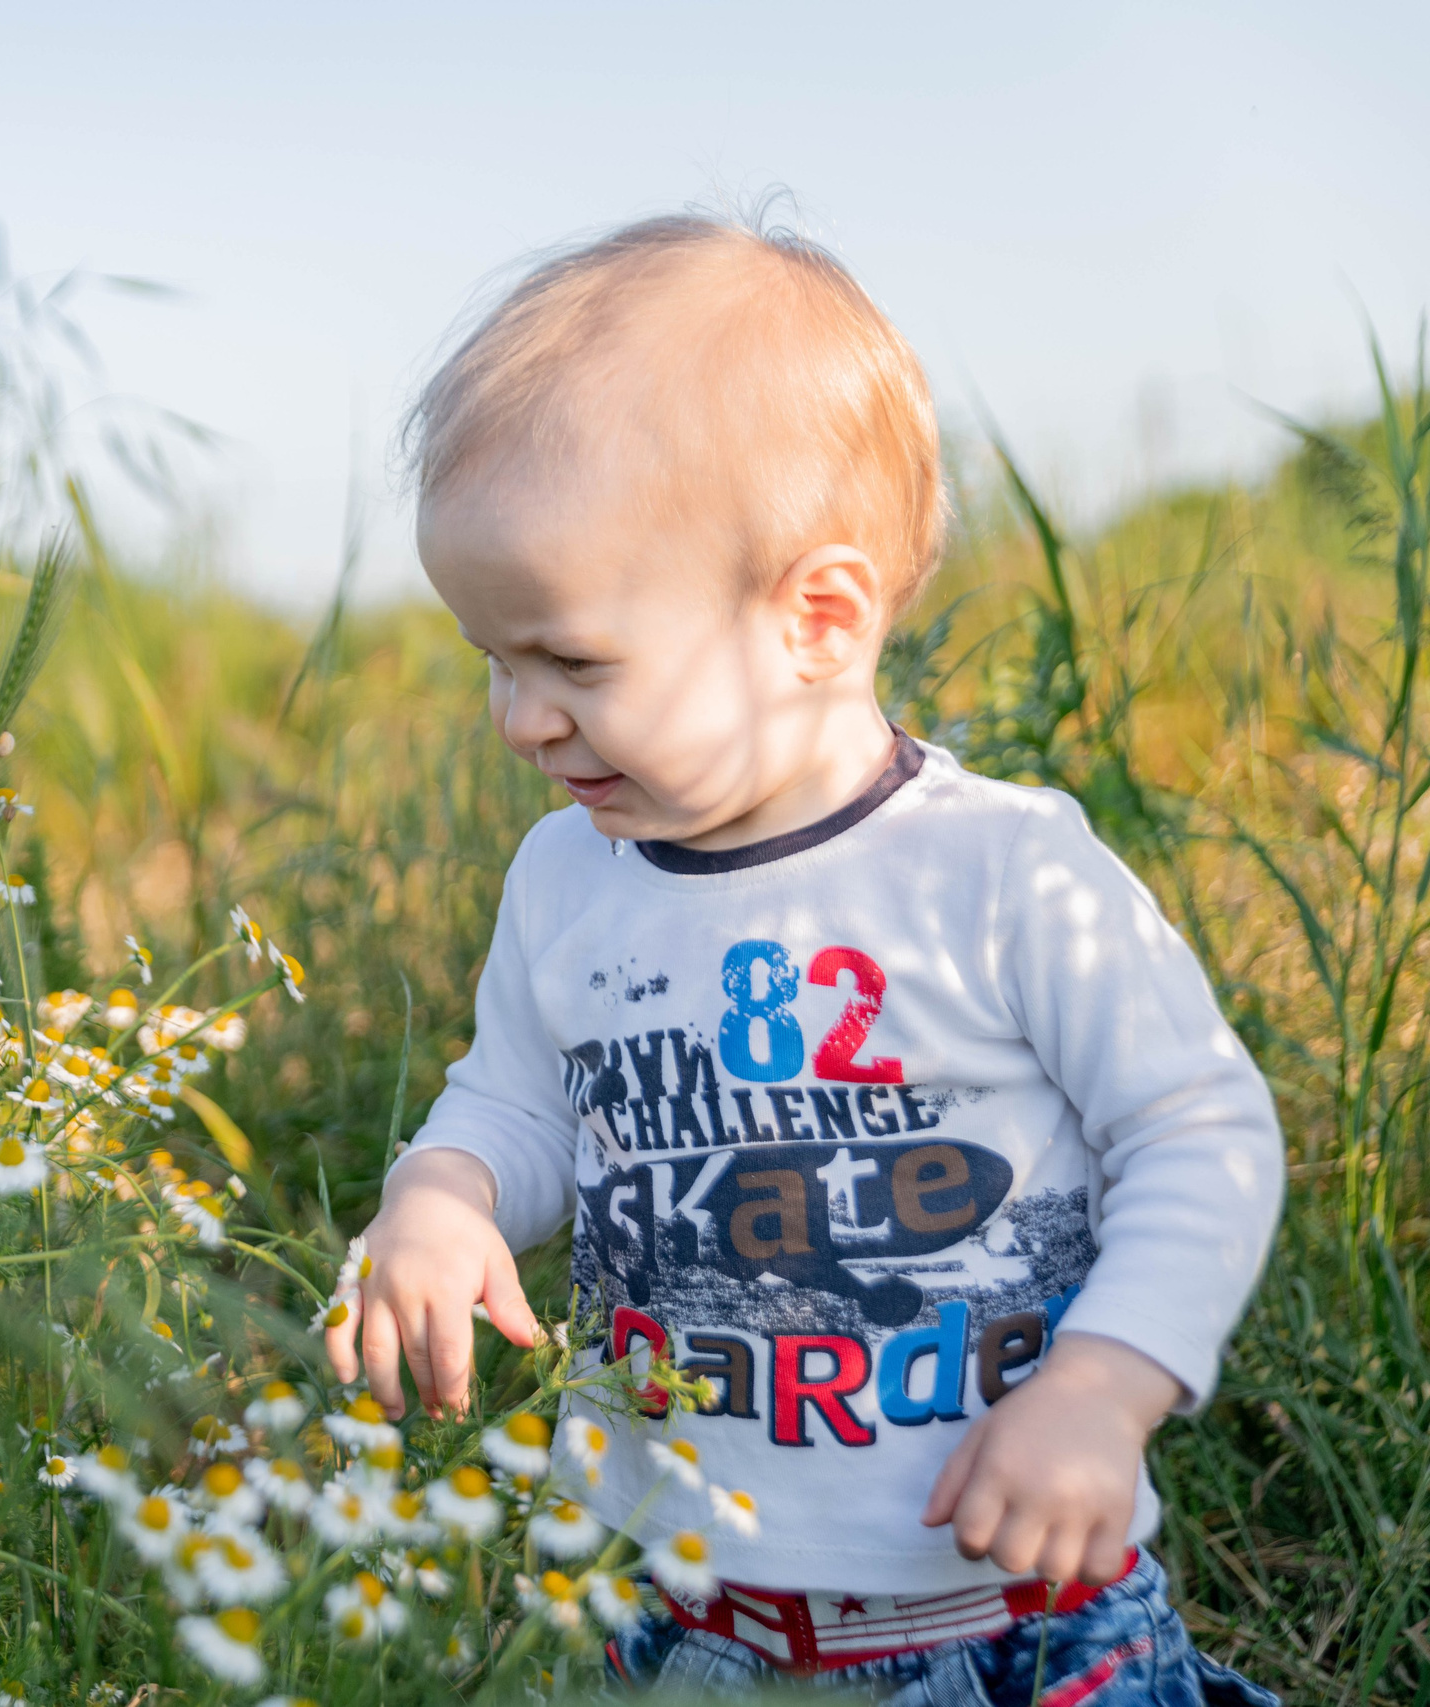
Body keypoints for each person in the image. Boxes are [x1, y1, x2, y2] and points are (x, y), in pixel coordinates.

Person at [326, 214, 1283, 1703]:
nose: (520, 718)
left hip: (1004, 1618)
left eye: (573, 663)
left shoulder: (1002, 872)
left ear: (816, 619)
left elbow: (1198, 1131)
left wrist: (1103, 1387)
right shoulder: (569, 881)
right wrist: (443, 1197)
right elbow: (516, 1106)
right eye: (491, 661)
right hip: (672, 1616)